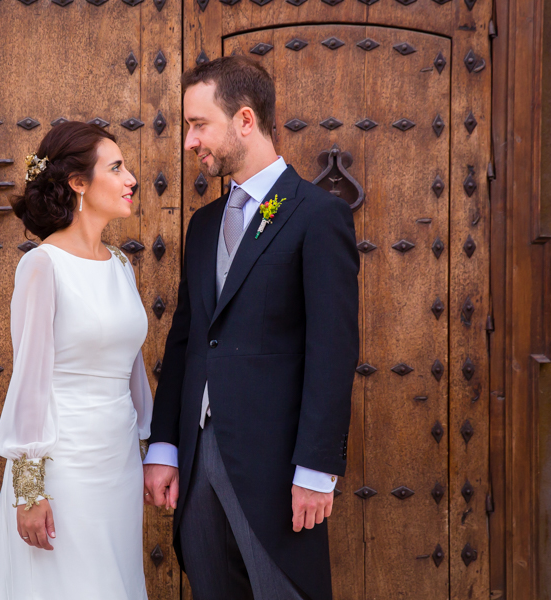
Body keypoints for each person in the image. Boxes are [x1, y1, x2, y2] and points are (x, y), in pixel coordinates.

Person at [143, 56, 360, 600]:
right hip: (197, 464)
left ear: (244, 120)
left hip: (276, 467)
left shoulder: (316, 215)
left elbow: (332, 351)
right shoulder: (204, 224)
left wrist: (316, 467)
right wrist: (165, 444)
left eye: (198, 125)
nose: (190, 141)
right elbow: (189, 339)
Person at [0, 121, 151, 600]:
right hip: (65, 465)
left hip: (117, 463)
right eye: (116, 168)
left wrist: (146, 449)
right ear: (78, 182)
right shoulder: (42, 265)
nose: (131, 178)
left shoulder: (121, 265)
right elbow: (30, 380)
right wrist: (29, 489)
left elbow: (132, 370)